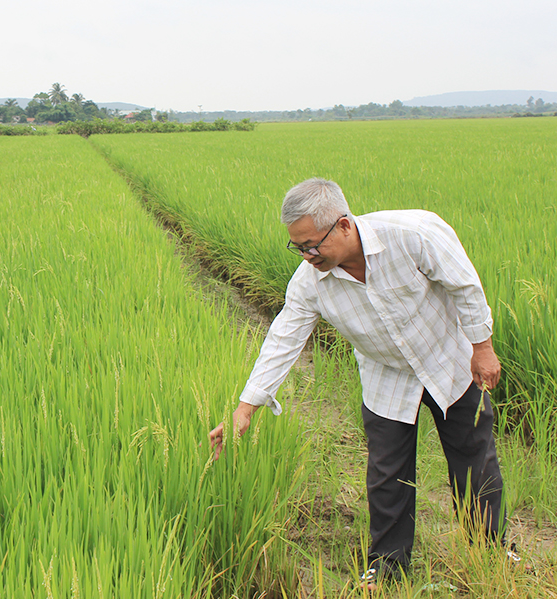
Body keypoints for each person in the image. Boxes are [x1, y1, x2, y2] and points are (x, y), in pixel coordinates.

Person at [208, 178, 510, 590]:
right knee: (387, 472)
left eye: (313, 244)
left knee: (473, 459)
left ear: (345, 225)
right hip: (385, 374)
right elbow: (284, 339)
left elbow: (465, 286)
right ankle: (387, 565)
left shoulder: (412, 234)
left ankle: (490, 551)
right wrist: (245, 409)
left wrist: (483, 348)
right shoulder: (309, 281)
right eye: (297, 246)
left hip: (448, 360)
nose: (307, 255)